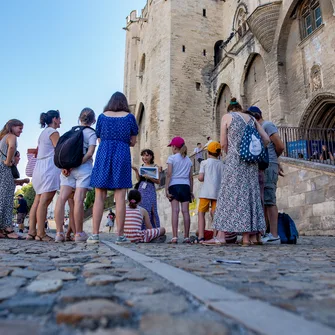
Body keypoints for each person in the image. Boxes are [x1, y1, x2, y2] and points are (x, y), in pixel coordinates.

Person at [204, 99, 269, 246]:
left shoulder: (227, 117)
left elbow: (223, 143)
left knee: (228, 196)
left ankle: (220, 236)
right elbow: (266, 139)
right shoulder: (252, 118)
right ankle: (247, 237)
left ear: (229, 109)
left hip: (235, 161)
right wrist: (254, 151)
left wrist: (232, 153)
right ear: (240, 108)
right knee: (250, 196)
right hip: (251, 162)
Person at [88, 92, 138, 244]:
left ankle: (95, 234)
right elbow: (133, 141)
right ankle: (120, 236)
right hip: (122, 153)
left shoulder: (102, 117)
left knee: (99, 196)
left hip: (104, 152)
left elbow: (99, 137)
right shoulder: (129, 117)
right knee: (120, 196)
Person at [54, 108, 97, 243]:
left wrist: (67, 167)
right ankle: (78, 233)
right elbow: (90, 153)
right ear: (93, 120)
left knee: (61, 198)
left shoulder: (71, 132)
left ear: (79, 118)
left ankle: (59, 233)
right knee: (78, 200)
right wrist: (76, 164)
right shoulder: (91, 133)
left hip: (67, 170)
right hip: (83, 168)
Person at [247, 106, 284, 245]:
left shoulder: (267, 125)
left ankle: (274, 235)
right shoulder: (259, 127)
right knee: (264, 202)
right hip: (264, 167)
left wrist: (274, 160)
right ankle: (266, 232)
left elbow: (280, 146)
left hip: (269, 166)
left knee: (269, 200)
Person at [27, 110, 61, 242]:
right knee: (45, 201)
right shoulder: (53, 132)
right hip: (48, 167)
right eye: (59, 119)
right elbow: (59, 150)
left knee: (38, 200)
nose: (60, 121)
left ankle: (32, 231)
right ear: (54, 119)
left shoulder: (43, 133)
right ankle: (40, 232)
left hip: (39, 167)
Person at [0, 120, 29, 239]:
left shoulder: (3, 137)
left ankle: (2, 228)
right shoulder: (11, 136)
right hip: (5, 168)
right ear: (12, 127)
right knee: (6, 199)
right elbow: (11, 147)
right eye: (20, 128)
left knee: (2, 196)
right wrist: (8, 161)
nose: (21, 131)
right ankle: (8, 228)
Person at [165, 136, 193, 243]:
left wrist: (166, 189)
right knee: (186, 212)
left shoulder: (171, 158)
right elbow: (191, 177)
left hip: (174, 186)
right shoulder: (189, 160)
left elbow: (169, 174)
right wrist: (191, 191)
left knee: (175, 211)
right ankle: (186, 237)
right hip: (185, 186)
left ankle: (175, 237)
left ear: (174, 147)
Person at [196, 141, 225, 244]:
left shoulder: (204, 163)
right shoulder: (222, 164)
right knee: (215, 214)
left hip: (206, 192)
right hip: (217, 193)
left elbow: (200, 177)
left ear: (208, 152)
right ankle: (215, 235)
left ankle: (201, 236)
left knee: (201, 213)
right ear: (218, 153)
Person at [132, 149, 160, 229]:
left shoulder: (155, 167)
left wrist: (150, 178)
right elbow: (139, 179)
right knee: (142, 208)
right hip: (142, 189)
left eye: (147, 155)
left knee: (153, 209)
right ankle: (143, 229)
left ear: (151, 156)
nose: (145, 157)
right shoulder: (142, 167)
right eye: (143, 155)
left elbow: (158, 181)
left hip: (150, 188)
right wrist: (136, 171)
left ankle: (156, 229)